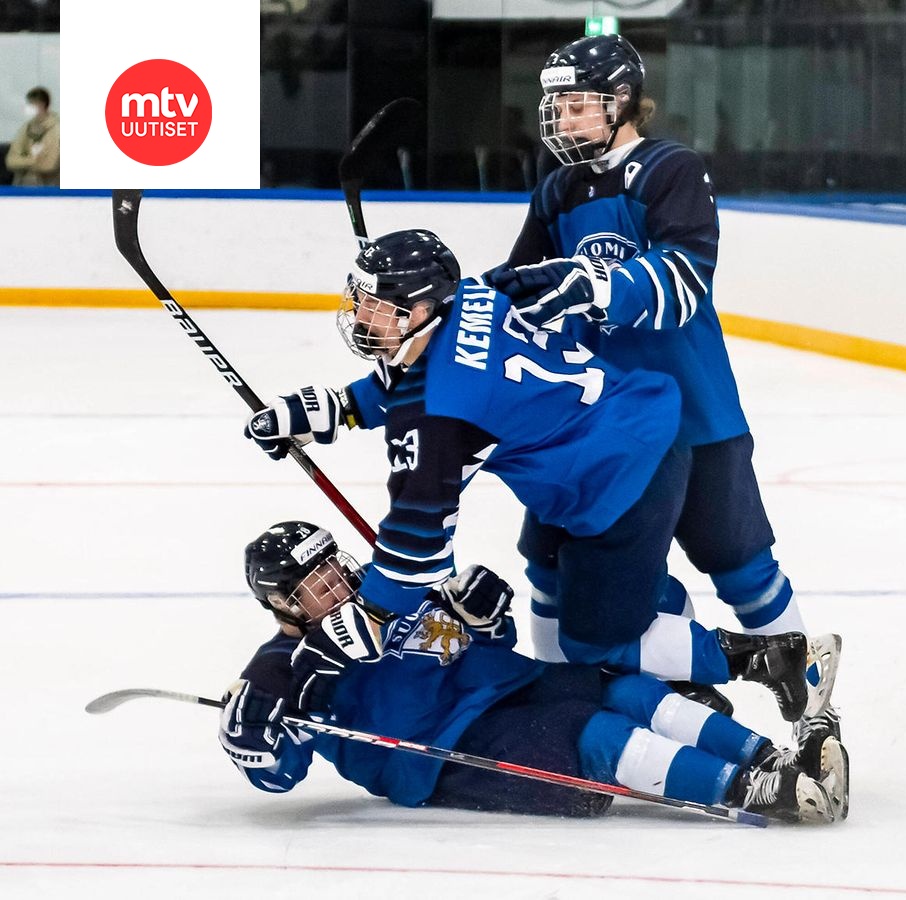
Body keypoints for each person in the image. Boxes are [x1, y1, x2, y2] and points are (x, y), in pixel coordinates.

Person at [243, 228, 837, 726]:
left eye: (378, 305)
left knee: (591, 641)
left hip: (618, 482)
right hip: (631, 429)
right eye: (362, 300)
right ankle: (677, 679)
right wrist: (336, 408)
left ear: (422, 310)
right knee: (569, 576)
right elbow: (432, 375)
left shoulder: (441, 414)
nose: (361, 316)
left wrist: (371, 612)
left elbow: (417, 539)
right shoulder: (477, 294)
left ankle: (771, 659)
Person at [482, 35, 839, 741]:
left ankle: (815, 709)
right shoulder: (557, 189)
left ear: (621, 103)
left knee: (744, 572)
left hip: (693, 415)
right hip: (595, 429)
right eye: (554, 104)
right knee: (551, 567)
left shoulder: (669, 169)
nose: (560, 118)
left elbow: (682, 278)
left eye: (577, 104)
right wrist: (452, 310)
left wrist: (588, 286)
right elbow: (518, 289)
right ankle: (571, 700)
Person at [218, 521, 845, 822]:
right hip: (437, 752)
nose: (337, 584)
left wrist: (484, 616)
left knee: (624, 687)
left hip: (502, 688)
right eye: (314, 584)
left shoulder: (392, 591)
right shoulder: (281, 671)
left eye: (335, 567)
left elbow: (491, 640)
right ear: (282, 603)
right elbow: (280, 775)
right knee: (594, 735)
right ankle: (746, 790)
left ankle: (767, 759)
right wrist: (251, 744)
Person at [6, 87, 59, 186]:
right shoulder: (26, 127)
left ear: (41, 104)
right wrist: (32, 160)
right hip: (22, 185)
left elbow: (49, 164)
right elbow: (11, 161)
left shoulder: (57, 129)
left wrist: (23, 161)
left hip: (49, 188)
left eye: (31, 103)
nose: (28, 107)